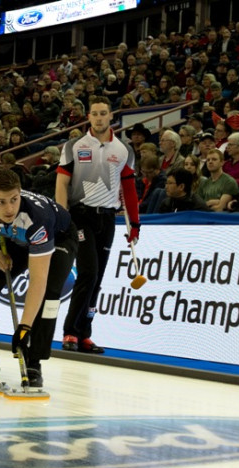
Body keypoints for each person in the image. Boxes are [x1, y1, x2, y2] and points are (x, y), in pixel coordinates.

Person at [0, 168, 76, 386]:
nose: (9, 208)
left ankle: (34, 363)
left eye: (14, 200)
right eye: (1, 202)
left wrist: (24, 328)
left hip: (59, 236)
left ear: (21, 193)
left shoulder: (37, 219)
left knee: (49, 297)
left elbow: (38, 280)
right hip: (17, 238)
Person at [56, 96, 139, 354]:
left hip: (108, 219)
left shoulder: (124, 150)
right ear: (89, 117)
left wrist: (134, 224)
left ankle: (85, 334)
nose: (99, 118)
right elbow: (61, 183)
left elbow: (129, 187)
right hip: (81, 216)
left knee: (98, 279)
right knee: (88, 273)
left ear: (111, 115)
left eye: (104, 113)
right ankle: (70, 331)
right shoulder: (74, 145)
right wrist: (62, 216)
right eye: (95, 114)